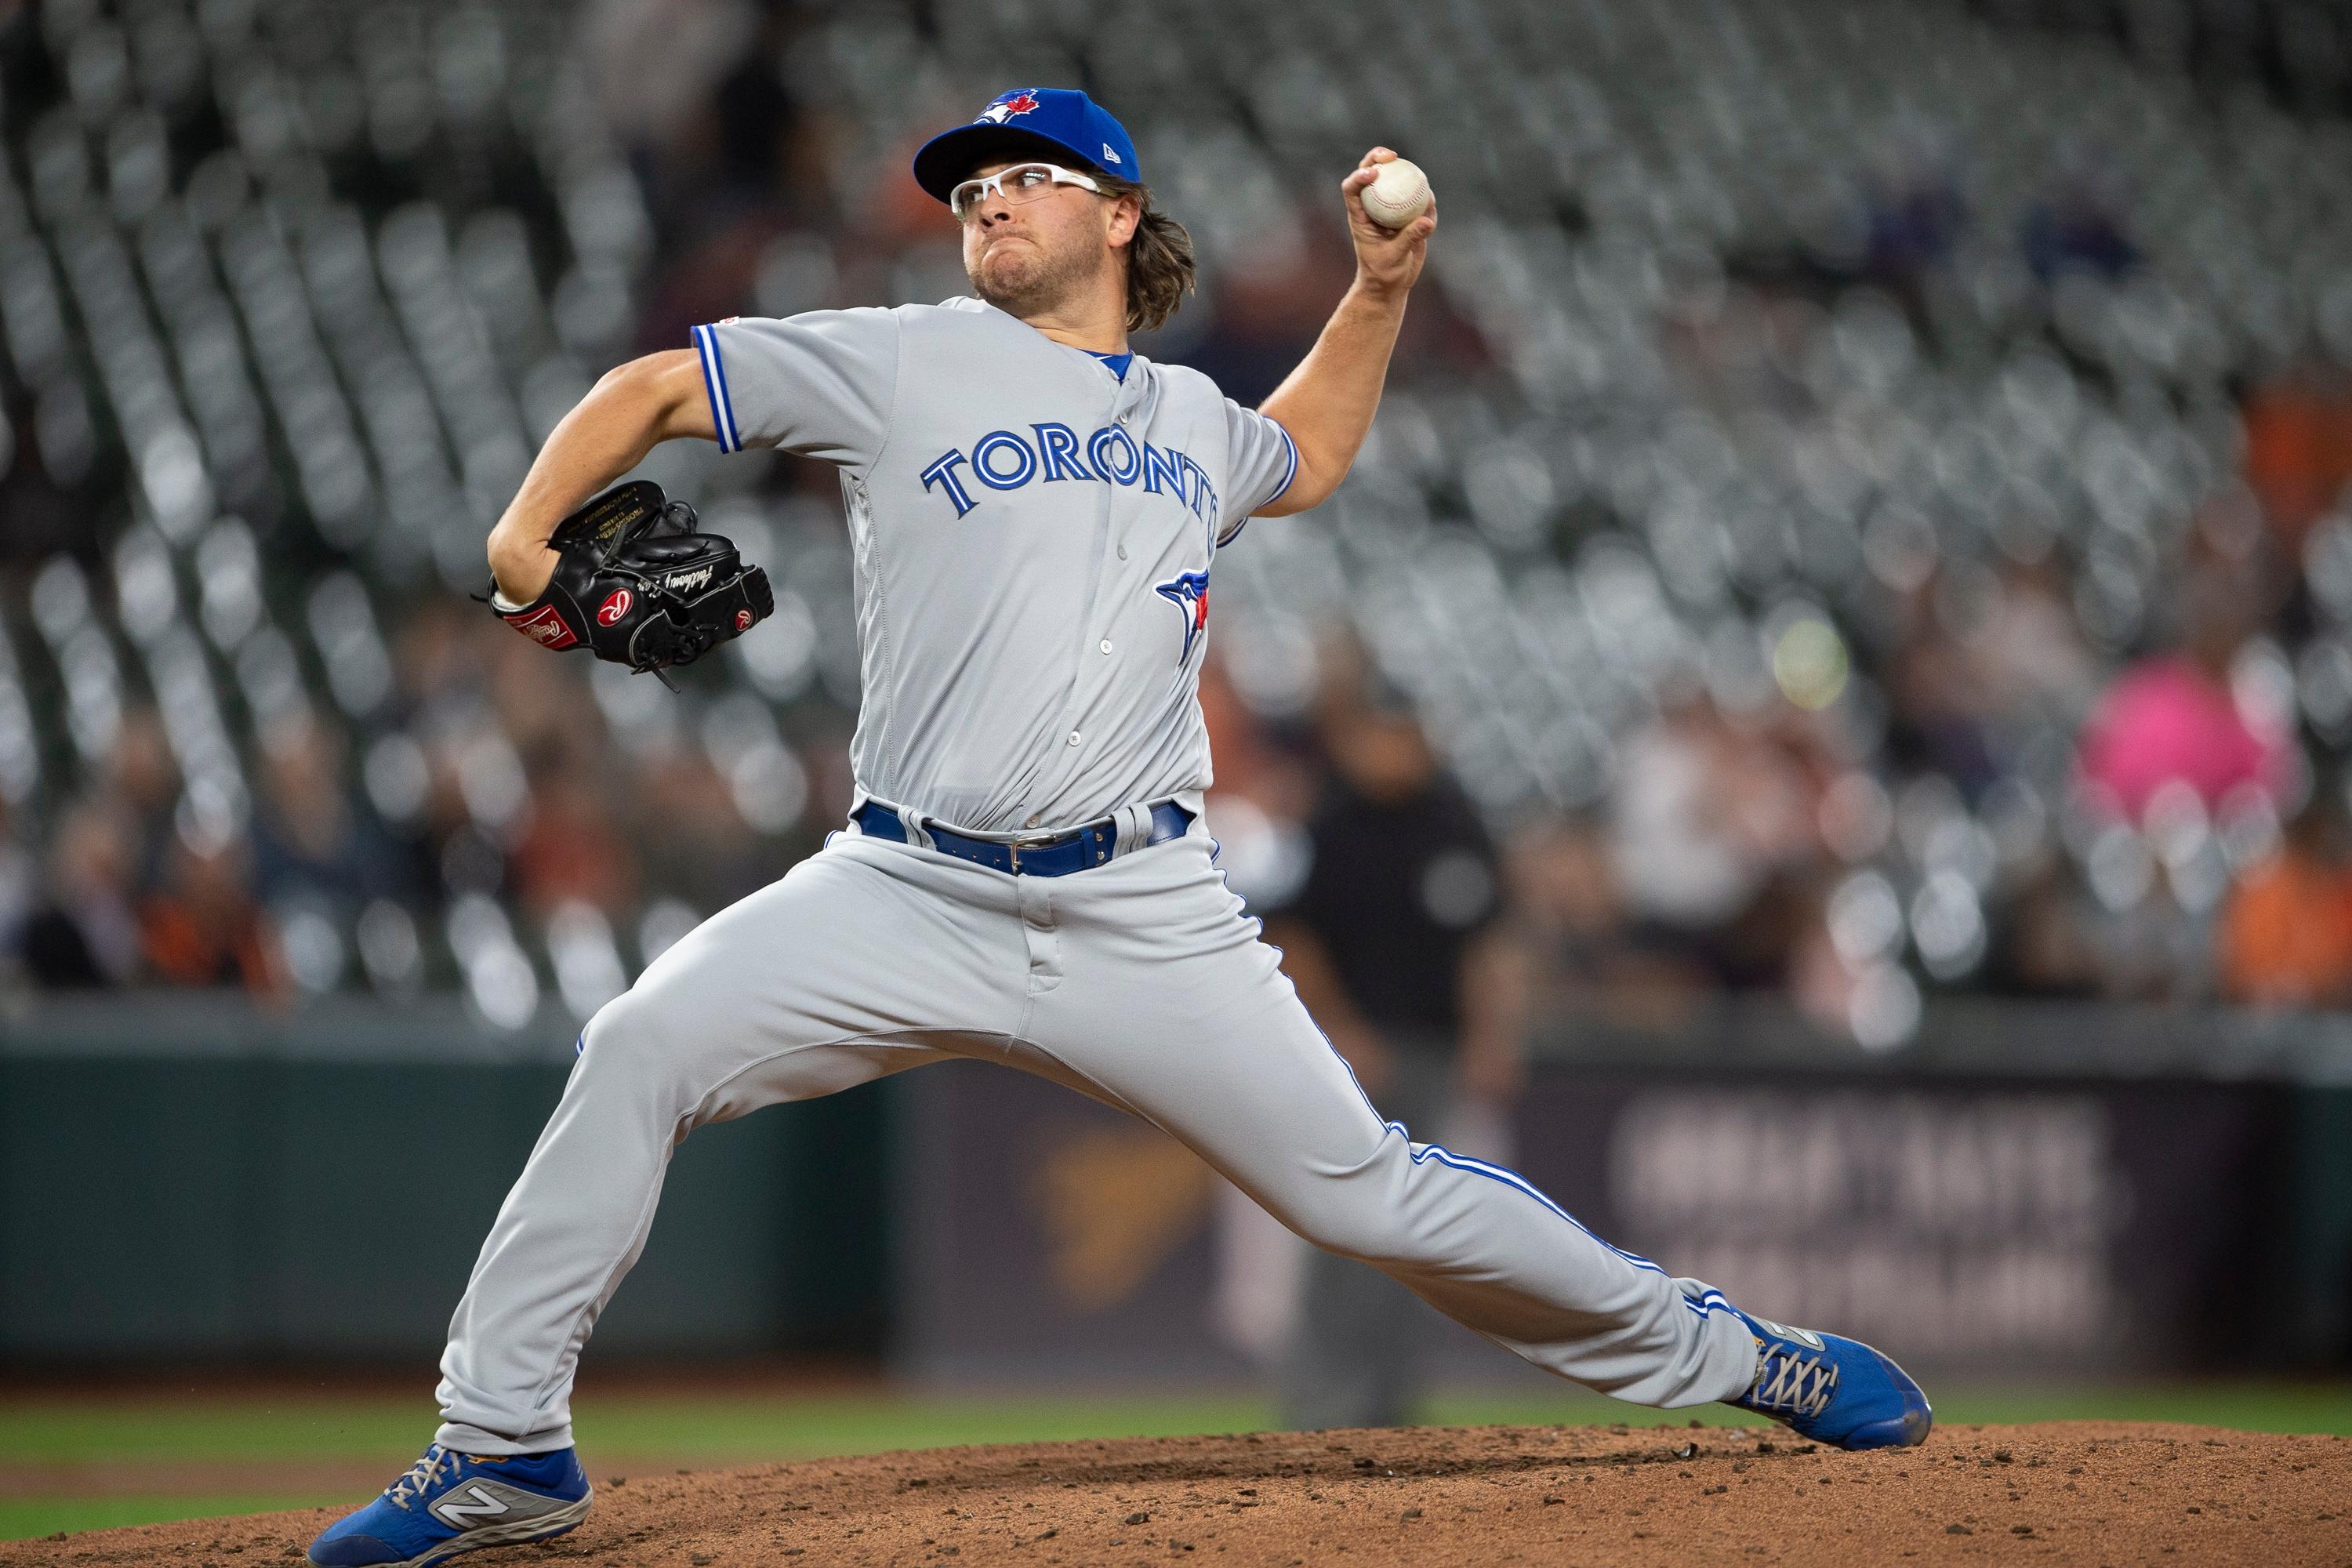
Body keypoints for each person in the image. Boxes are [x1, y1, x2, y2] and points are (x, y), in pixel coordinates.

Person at [308, 89, 1929, 1568]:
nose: (989, 203)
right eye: (973, 186)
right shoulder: (907, 352)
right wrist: (526, 541)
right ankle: (505, 1441)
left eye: (1031, 178)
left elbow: (1309, 450)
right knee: (641, 1042)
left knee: (1366, 1191)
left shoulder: (1191, 419)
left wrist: (1379, 291)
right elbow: (659, 386)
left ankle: (1746, 1358)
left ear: (1120, 216)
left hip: (1146, 907)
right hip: (903, 880)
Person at [1267, 653, 1521, 1429]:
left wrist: (1495, 1034)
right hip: (1349, 1056)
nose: (1394, 747)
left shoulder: (1454, 816)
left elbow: (1489, 938)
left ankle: (1390, 1403)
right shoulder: (1330, 819)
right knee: (1345, 1225)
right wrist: (1337, 1031)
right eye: (1382, 732)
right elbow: (1293, 937)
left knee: (1416, 1235)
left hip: (1432, 1051)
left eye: (1404, 732)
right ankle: (1320, 1402)